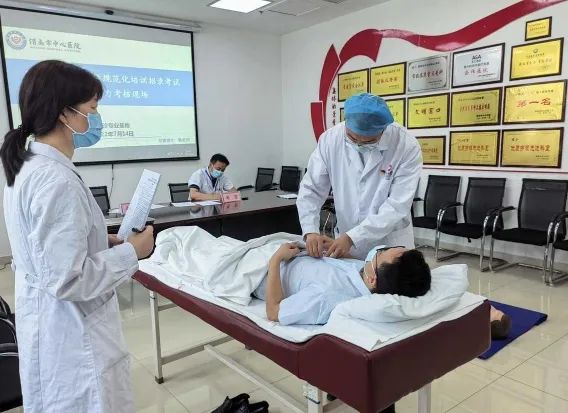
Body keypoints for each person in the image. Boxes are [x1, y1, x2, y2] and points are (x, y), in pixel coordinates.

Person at [1, 60, 155, 412]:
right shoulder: (57, 181)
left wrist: (100, 242)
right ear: (64, 113)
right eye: (92, 108)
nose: (96, 118)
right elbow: (69, 279)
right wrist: (133, 252)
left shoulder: (27, 166)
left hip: (49, 324)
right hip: (73, 337)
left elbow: (46, 251)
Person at [297, 92, 422, 260]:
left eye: (368, 141)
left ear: (383, 130)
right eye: (352, 138)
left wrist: (353, 237)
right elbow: (311, 188)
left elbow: (397, 205)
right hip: (344, 237)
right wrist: (310, 230)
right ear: (346, 123)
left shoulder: (406, 145)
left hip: (389, 241)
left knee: (385, 277)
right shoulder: (330, 140)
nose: (358, 144)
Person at [255, 243, 431, 325]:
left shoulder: (327, 296)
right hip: (292, 251)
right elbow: (348, 267)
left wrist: (275, 260)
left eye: (381, 252)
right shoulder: (365, 273)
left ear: (372, 279)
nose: (378, 249)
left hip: (261, 269)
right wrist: (333, 246)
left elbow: (274, 312)